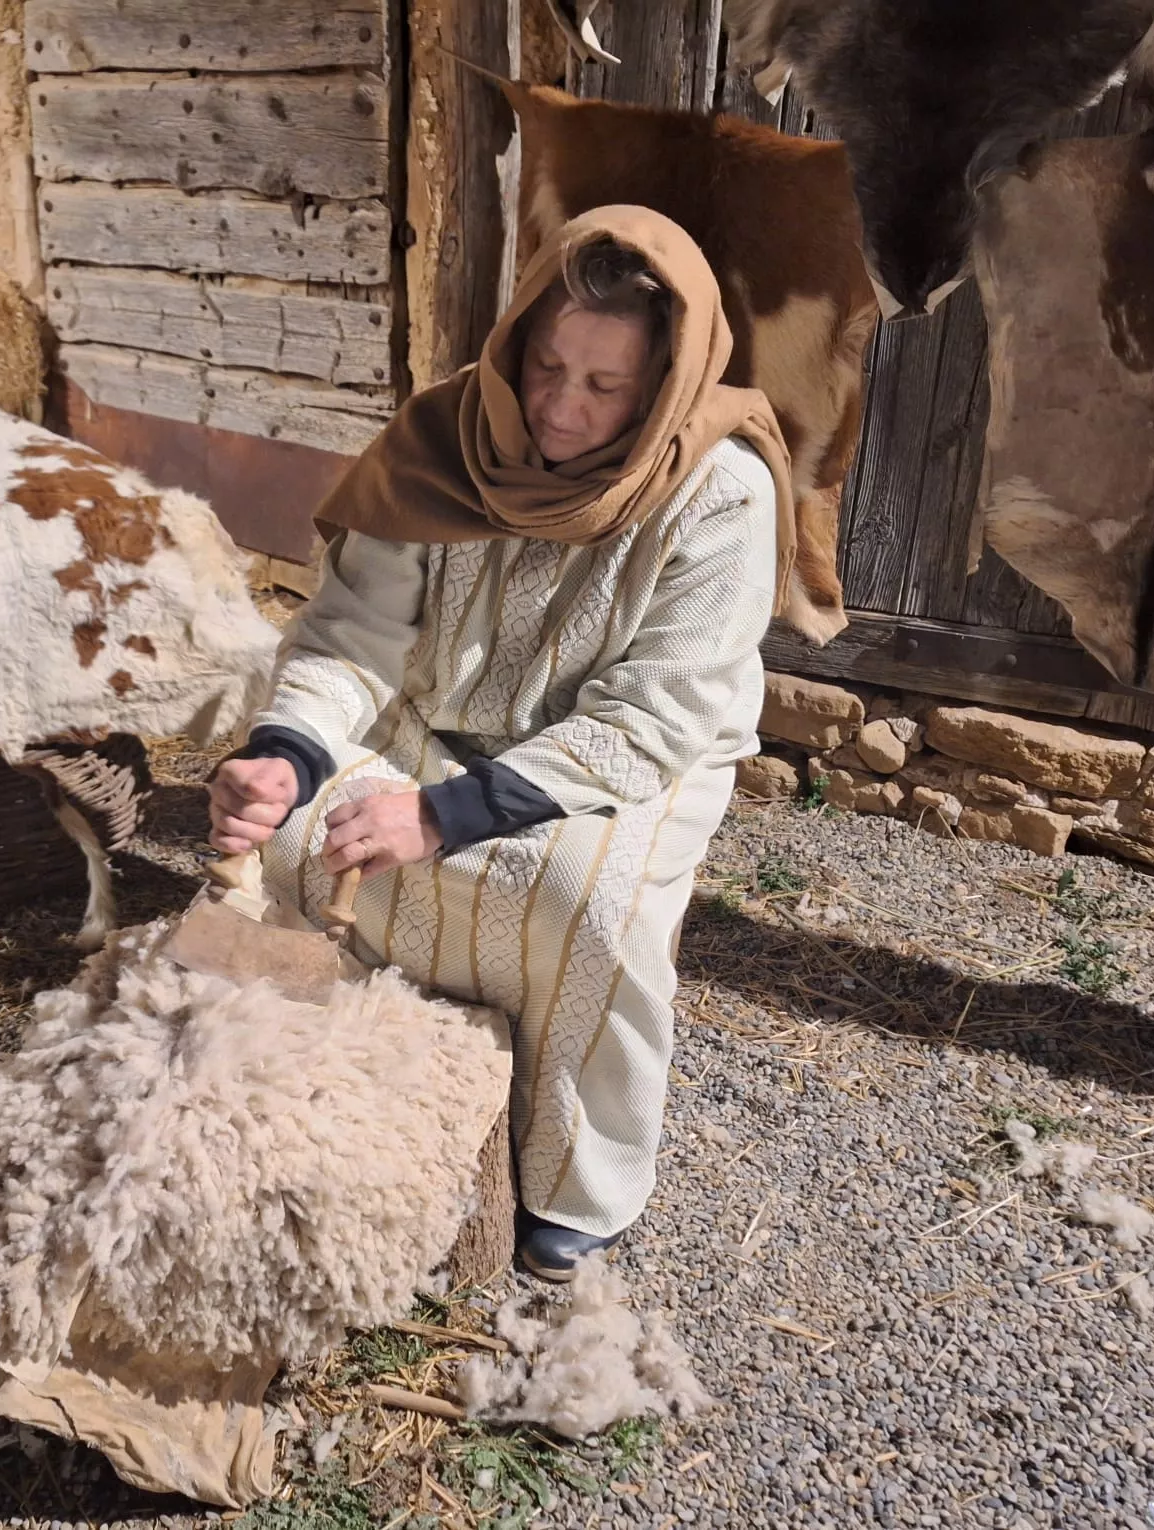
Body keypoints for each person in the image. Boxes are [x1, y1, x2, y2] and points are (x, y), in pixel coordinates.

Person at [207, 205, 798, 1281]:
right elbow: (355, 636)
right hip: (434, 709)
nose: (562, 411)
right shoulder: (446, 439)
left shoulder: (721, 494)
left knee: (585, 902)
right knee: (299, 836)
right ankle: (356, 1090)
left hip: (621, 745)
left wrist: (441, 814)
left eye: (606, 386)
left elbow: (655, 711)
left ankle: (573, 1174)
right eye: (545, 366)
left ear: (665, 386)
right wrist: (285, 758)